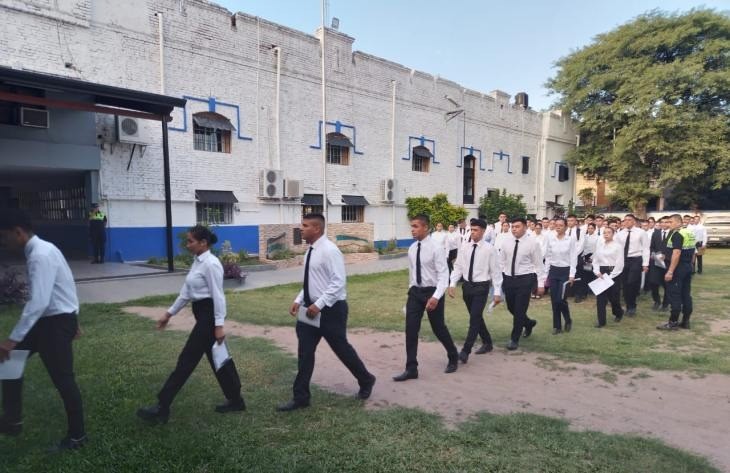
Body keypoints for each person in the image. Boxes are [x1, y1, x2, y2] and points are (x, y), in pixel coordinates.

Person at [137, 225, 245, 423]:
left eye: (190, 241)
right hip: (201, 313)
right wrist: (168, 314)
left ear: (203, 243)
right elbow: (186, 293)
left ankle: (162, 406)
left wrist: (219, 325)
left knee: (186, 360)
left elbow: (218, 296)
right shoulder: (197, 262)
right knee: (218, 358)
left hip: (209, 315)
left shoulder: (211, 264)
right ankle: (236, 399)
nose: (187, 244)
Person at [0, 209, 86, 450]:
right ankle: (11, 420)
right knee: (9, 362)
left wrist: (12, 338)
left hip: (55, 324)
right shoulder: (44, 249)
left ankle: (77, 436)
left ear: (18, 232)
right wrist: (74, 316)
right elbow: (65, 282)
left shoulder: (40, 254)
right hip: (52, 320)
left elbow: (38, 302)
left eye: (4, 237)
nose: (3, 242)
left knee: (63, 379)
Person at [278, 214, 375, 410]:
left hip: (331, 310)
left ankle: (366, 379)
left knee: (341, 349)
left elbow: (338, 282)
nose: (301, 229)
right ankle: (301, 397)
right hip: (310, 310)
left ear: (317, 229)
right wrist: (299, 300)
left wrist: (319, 304)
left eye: (305, 226)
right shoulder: (310, 251)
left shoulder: (330, 251)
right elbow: (313, 281)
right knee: (305, 352)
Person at [394, 214, 459, 381]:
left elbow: (444, 275)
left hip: (433, 291)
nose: (412, 230)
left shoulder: (436, 248)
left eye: (416, 226)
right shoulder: (412, 248)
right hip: (415, 293)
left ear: (425, 228)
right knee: (411, 329)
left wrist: (436, 297)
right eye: (412, 226)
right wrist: (410, 293)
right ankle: (411, 368)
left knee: (438, 328)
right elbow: (412, 274)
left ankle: (453, 356)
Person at [448, 219, 502, 363]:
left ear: (483, 231)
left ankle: (466, 351)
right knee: (476, 316)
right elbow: (458, 266)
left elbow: (496, 272)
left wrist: (497, 292)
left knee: (474, 318)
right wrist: (452, 283)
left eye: (476, 230)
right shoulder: (464, 247)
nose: (472, 232)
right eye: (471, 230)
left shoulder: (490, 249)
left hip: (481, 287)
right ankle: (488, 342)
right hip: (467, 286)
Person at [496, 217, 546, 350]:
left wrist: (541, 283)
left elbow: (539, 265)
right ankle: (528, 323)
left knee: (519, 310)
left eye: (517, 227)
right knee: (511, 308)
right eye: (513, 227)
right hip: (508, 279)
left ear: (525, 227)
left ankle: (514, 339)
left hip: (525, 279)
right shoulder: (506, 242)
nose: (514, 229)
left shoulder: (532, 243)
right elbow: (501, 262)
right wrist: (499, 279)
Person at [658, 214, 696, 330]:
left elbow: (677, 253)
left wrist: (670, 271)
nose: (668, 224)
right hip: (687, 266)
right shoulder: (688, 232)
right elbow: (693, 251)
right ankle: (685, 321)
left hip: (677, 268)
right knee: (686, 294)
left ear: (679, 222)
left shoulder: (677, 234)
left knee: (675, 294)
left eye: (671, 222)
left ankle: (673, 322)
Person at [544, 217, 577, 334]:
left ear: (566, 227)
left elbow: (574, 257)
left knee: (560, 299)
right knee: (554, 300)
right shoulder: (550, 238)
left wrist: (572, 274)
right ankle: (557, 326)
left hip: (565, 271)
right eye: (556, 224)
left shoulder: (571, 239)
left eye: (560, 225)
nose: (558, 227)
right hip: (553, 271)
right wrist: (545, 273)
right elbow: (548, 256)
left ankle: (568, 319)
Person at [615, 214, 649, 316]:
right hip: (624, 260)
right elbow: (616, 248)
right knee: (625, 284)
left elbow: (646, 248)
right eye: (625, 220)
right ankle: (628, 305)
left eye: (629, 220)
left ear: (634, 221)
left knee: (631, 282)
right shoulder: (620, 234)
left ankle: (632, 306)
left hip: (636, 259)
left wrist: (645, 263)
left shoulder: (641, 232)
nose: (627, 222)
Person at [592, 227, 625, 327]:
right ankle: (601, 321)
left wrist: (611, 276)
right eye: (604, 233)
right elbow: (595, 261)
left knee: (613, 298)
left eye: (609, 232)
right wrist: (597, 272)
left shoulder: (618, 246)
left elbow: (620, 263)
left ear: (613, 234)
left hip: (613, 272)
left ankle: (618, 312)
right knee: (600, 298)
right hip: (601, 273)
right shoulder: (600, 246)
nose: (606, 234)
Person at [648, 216, 670, 311]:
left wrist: (666, 256)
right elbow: (652, 247)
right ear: (660, 223)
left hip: (668, 263)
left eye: (666, 222)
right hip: (656, 261)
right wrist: (654, 255)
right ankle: (657, 301)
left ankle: (665, 303)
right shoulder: (655, 233)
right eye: (662, 222)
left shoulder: (673, 234)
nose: (664, 224)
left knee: (667, 284)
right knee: (653, 282)